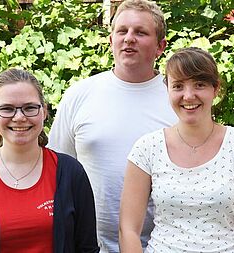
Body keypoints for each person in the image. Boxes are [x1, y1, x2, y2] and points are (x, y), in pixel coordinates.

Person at [47, 0, 177, 252]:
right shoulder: (80, 95)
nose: (129, 38)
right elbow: (57, 169)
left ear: (161, 46)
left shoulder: (177, 100)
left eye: (140, 32)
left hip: (162, 244)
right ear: (111, 40)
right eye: (122, 31)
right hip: (88, 244)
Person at [119, 47, 234, 253]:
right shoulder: (147, 149)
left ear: (215, 89)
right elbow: (128, 230)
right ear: (168, 89)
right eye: (178, 86)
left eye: (199, 85)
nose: (188, 96)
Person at [0, 68, 99, 252]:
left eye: (29, 108)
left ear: (43, 111)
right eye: (7, 109)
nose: (19, 117)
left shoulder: (70, 172)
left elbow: (87, 247)